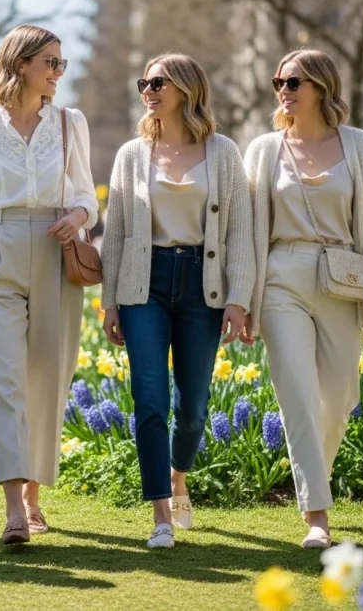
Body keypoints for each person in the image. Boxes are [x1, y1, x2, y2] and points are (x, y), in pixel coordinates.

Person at [101, 53, 254, 549]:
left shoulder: (223, 152)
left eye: (158, 81)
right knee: (149, 401)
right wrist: (109, 302)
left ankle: (179, 474)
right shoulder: (131, 154)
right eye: (143, 80)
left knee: (193, 406)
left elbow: (240, 231)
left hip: (202, 284)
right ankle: (160, 514)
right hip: (143, 283)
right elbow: (117, 233)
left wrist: (239, 298)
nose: (148, 89)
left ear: (187, 87)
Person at [243, 49, 363, 549]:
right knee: (299, 396)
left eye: (294, 81)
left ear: (323, 87)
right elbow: (248, 232)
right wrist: (244, 297)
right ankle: (317, 514)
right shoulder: (264, 149)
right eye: (279, 81)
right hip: (282, 277)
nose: (283, 90)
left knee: (339, 400)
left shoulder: (359, 145)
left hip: (343, 277)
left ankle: (314, 476)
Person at [0, 24, 98, 544]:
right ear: (21, 64)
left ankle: (36, 496)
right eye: (51, 62)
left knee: (48, 379)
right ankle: (14, 506)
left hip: (56, 248)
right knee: (7, 379)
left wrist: (78, 217)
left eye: (61, 63)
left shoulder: (69, 122)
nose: (59, 72)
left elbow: (88, 193)